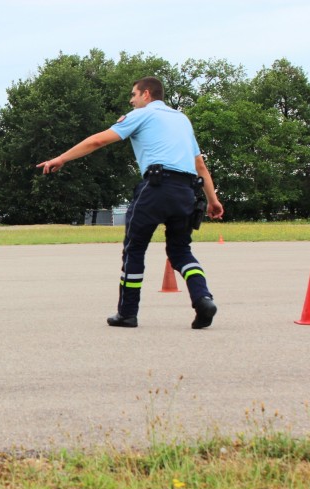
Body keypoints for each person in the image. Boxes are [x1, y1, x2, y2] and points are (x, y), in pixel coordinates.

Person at [37, 76, 224, 329]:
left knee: (134, 248)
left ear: (146, 94)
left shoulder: (142, 114)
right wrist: (213, 200)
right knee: (181, 251)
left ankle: (127, 313)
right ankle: (203, 299)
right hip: (186, 191)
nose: (131, 100)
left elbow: (98, 140)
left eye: (133, 94)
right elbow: (199, 164)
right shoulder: (182, 119)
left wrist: (61, 158)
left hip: (156, 187)